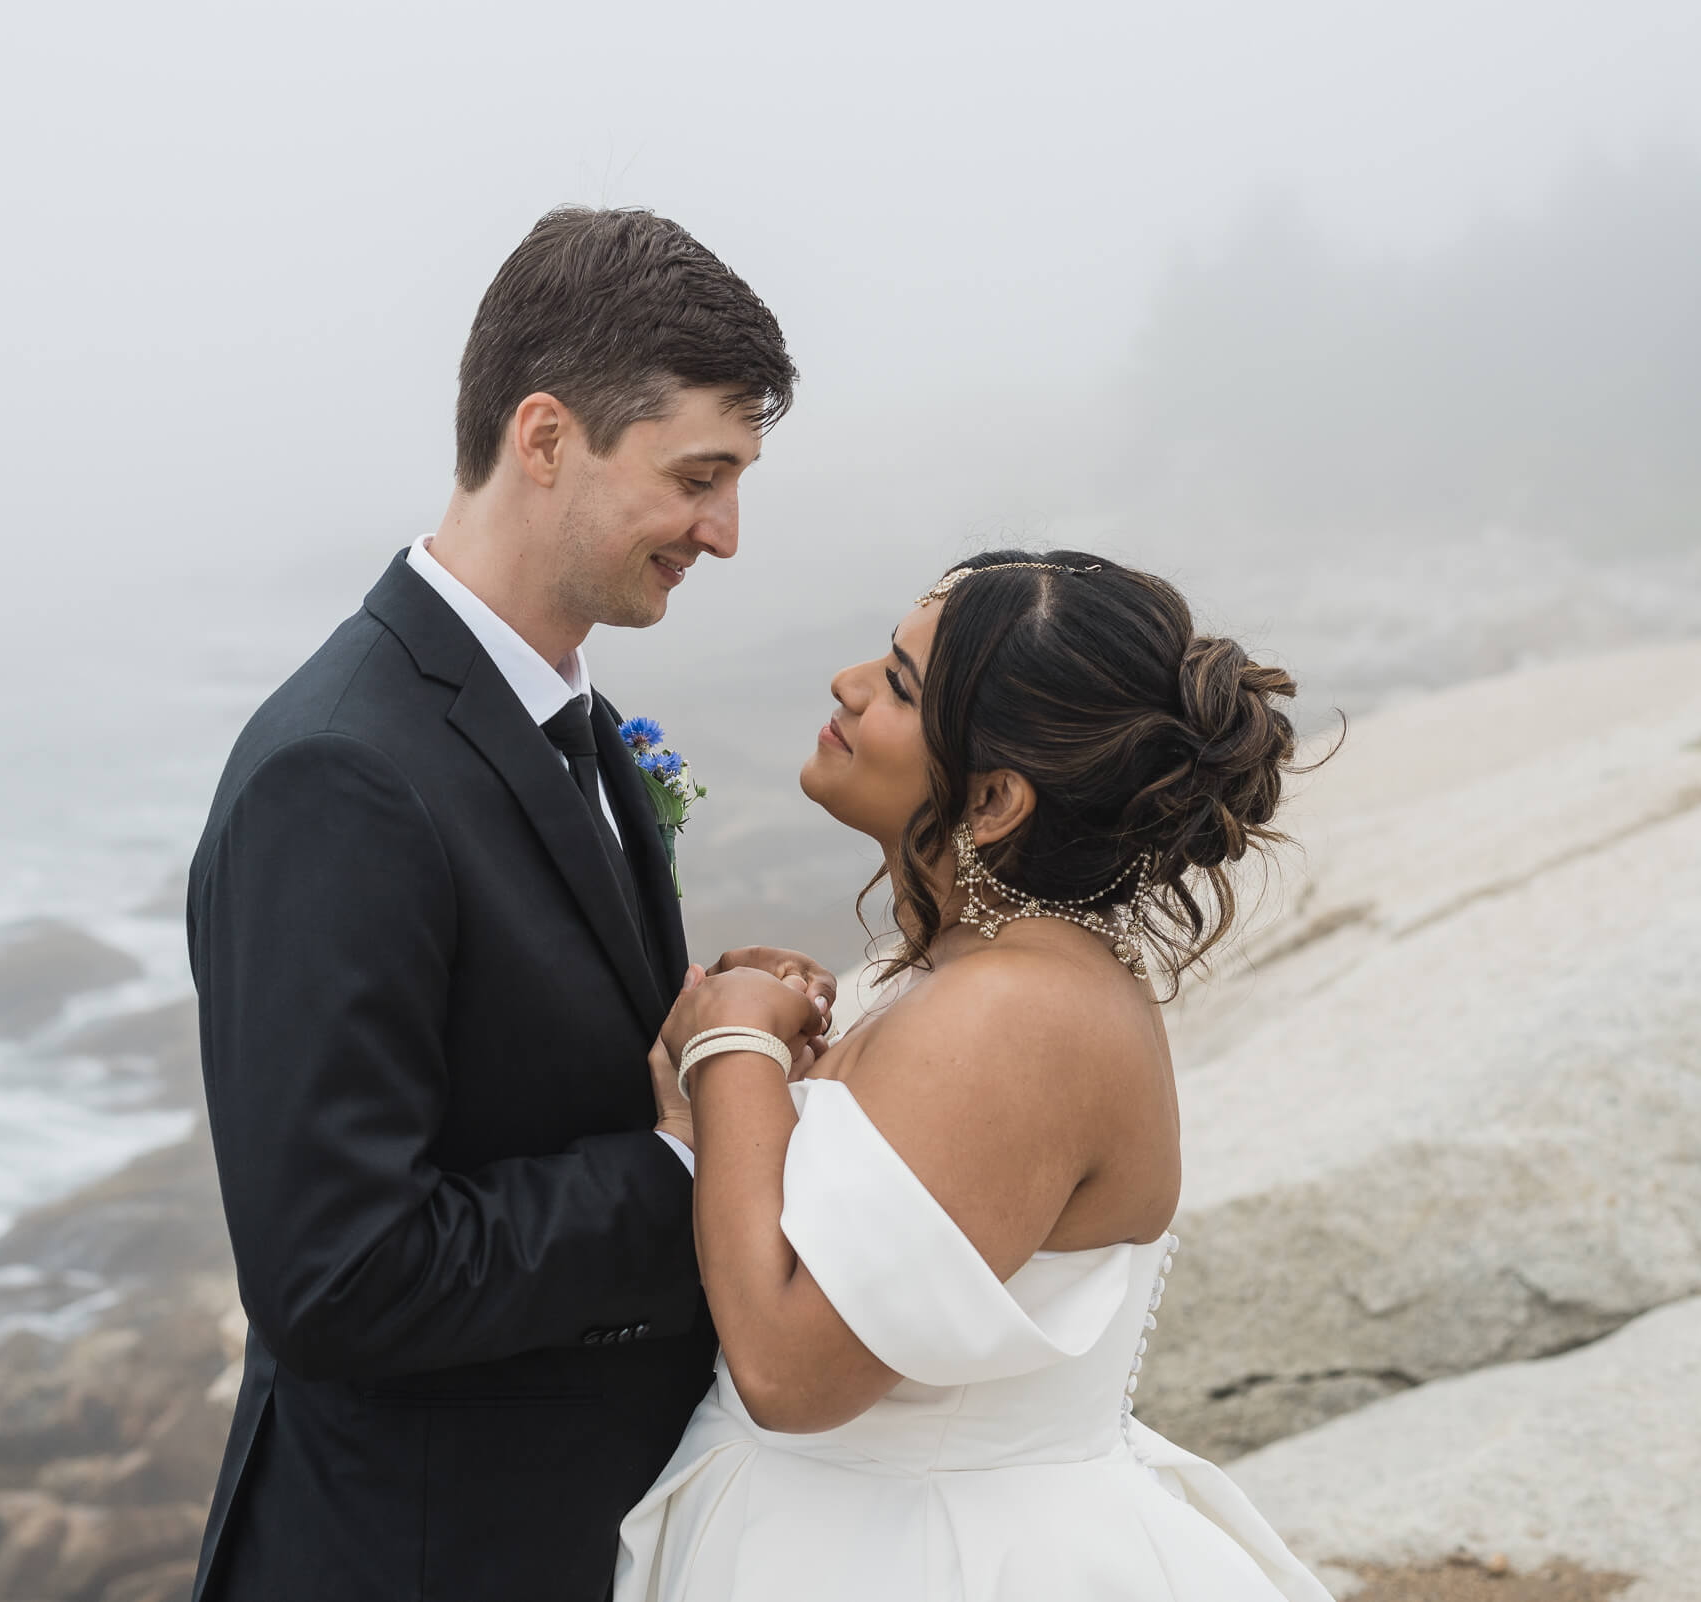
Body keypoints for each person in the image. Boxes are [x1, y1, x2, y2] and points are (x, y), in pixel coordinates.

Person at [183, 206, 834, 1602]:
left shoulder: (571, 721)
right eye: (699, 476)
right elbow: (339, 1276)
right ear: (546, 440)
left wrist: (709, 1042)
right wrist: (683, 1155)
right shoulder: (337, 773)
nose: (725, 532)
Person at [617, 552, 1336, 1601]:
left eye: (902, 686)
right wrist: (740, 1089)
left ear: (994, 799)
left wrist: (738, 1051)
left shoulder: (1016, 1013)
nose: (847, 682)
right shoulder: (975, 975)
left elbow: (789, 1371)